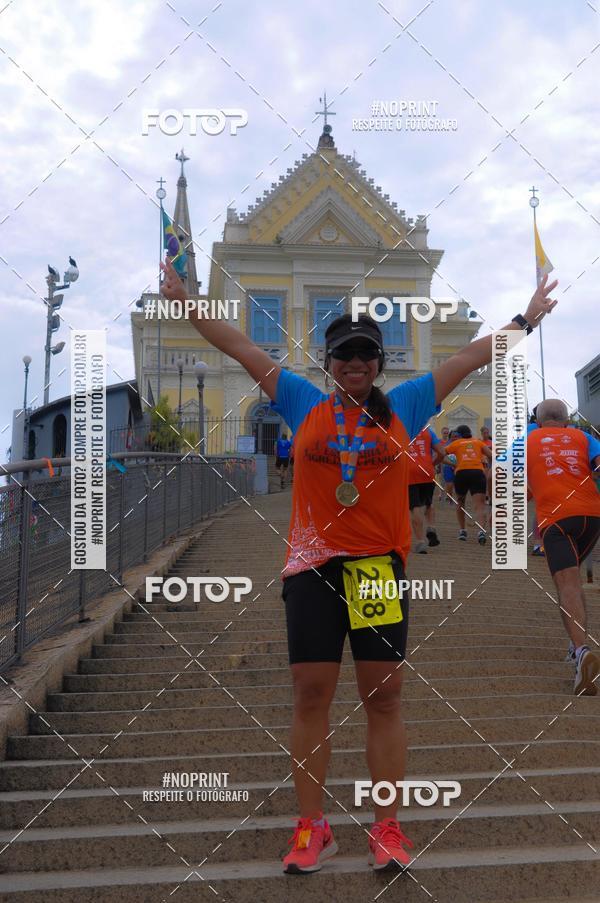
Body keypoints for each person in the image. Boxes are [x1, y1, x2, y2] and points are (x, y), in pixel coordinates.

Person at [160, 257, 558, 874]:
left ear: (379, 363)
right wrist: (187, 302)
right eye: (345, 353)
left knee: (384, 697)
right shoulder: (297, 398)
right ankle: (312, 827)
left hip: (375, 568)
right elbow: (236, 343)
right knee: (311, 693)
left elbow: (471, 358)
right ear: (328, 360)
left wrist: (524, 320)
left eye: (366, 355)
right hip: (313, 568)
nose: (356, 363)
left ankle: (388, 827)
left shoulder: (407, 403)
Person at [526, 399, 600, 694]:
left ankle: (581, 651)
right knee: (574, 581)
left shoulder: (527, 439)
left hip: (556, 519)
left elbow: (500, 474)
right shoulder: (584, 437)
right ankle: (575, 644)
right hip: (591, 517)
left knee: (566, 584)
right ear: (567, 420)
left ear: (539, 419)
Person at [444, 425, 492, 544]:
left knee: (460, 502)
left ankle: (462, 531)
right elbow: (491, 455)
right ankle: (481, 531)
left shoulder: (457, 443)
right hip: (477, 473)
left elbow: (441, 454)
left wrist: (452, 464)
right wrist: (489, 467)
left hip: (461, 473)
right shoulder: (478, 442)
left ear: (460, 435)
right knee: (479, 505)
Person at [407, 426, 445, 552]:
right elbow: (442, 453)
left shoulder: (402, 428)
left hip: (409, 472)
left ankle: (420, 541)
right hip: (427, 471)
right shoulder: (428, 431)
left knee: (415, 507)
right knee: (429, 502)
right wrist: (432, 464)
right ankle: (431, 527)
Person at [440, 426, 456, 502]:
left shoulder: (452, 442)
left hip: (454, 463)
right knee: (444, 480)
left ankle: (448, 495)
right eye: (444, 433)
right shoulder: (439, 442)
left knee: (451, 481)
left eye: (447, 433)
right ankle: (443, 494)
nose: (446, 434)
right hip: (444, 463)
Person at [480, 425, 493, 502]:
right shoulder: (479, 442)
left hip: (489, 463)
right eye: (484, 433)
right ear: (481, 434)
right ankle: (485, 495)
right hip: (481, 463)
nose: (486, 434)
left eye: (487, 433)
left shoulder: (492, 442)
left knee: (488, 479)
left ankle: (488, 495)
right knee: (483, 480)